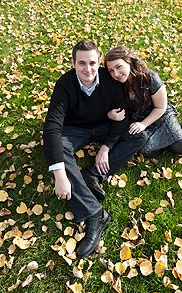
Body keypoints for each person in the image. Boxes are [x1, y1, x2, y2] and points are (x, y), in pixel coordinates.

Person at [43, 40, 148, 258]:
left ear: (98, 62)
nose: (88, 69)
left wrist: (106, 147)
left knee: (140, 137)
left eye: (92, 63)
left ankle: (92, 175)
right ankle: (94, 213)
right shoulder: (64, 84)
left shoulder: (109, 81)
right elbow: (52, 126)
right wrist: (59, 174)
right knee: (58, 147)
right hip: (75, 130)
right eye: (82, 63)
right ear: (73, 63)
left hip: (103, 125)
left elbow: (122, 117)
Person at [103, 46, 182, 157]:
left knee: (181, 147)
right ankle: (181, 128)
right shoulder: (116, 83)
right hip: (138, 117)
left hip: (160, 115)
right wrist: (110, 114)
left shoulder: (150, 78)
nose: (116, 74)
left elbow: (161, 107)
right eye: (111, 71)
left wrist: (143, 124)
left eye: (119, 67)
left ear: (129, 62)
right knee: (147, 151)